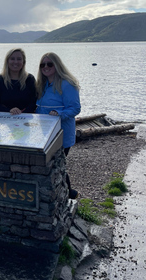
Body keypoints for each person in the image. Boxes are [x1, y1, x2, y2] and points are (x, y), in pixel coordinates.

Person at [35, 52, 81, 199]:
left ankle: (68, 194)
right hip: (45, 133)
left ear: (57, 65)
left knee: (58, 165)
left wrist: (58, 114)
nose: (46, 67)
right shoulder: (42, 84)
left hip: (62, 134)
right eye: (43, 64)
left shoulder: (67, 83)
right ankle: (65, 192)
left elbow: (75, 108)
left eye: (50, 64)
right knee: (52, 164)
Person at [0, 48, 37, 115]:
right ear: (7, 61)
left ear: (23, 62)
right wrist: (10, 111)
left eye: (19, 59)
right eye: (12, 59)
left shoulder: (30, 79)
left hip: (26, 119)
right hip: (4, 119)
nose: (15, 62)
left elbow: (34, 103)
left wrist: (21, 113)